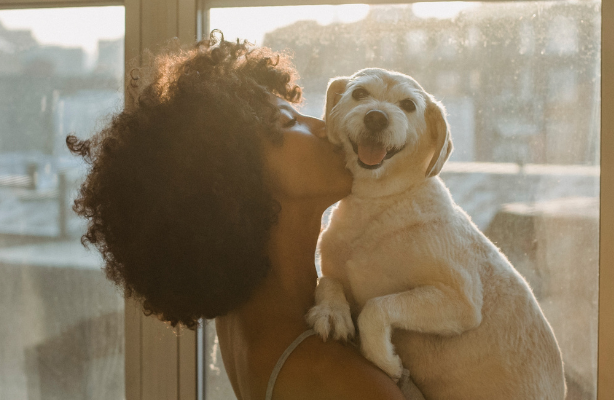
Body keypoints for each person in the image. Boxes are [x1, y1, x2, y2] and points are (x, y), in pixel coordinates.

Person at [67, 33, 409, 400]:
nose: (324, 127)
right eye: (286, 122)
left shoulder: (244, 320)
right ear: (235, 175)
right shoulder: (334, 378)